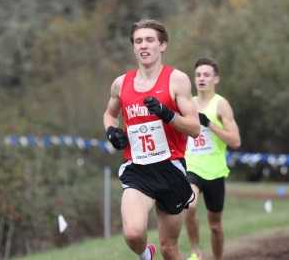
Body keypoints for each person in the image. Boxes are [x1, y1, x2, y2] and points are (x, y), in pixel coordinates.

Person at [103, 19, 200, 260]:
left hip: (171, 169)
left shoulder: (176, 80)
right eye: (138, 41)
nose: (143, 46)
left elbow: (195, 128)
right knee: (134, 233)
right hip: (138, 169)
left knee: (169, 248)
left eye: (149, 40)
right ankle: (145, 254)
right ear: (133, 47)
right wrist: (111, 131)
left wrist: (167, 115)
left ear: (162, 45)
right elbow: (109, 114)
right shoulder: (121, 84)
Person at [184, 58, 241, 260]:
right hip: (192, 167)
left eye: (206, 75)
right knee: (189, 206)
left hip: (215, 172)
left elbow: (235, 141)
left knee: (215, 226)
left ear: (216, 79)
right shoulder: (187, 104)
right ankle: (195, 252)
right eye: (198, 75)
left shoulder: (221, 105)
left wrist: (209, 124)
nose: (201, 78)